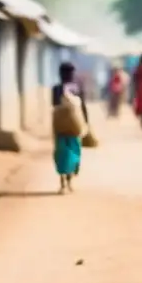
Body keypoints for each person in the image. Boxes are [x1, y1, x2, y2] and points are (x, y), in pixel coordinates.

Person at [51, 62, 88, 194]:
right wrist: (86, 122)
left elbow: (54, 105)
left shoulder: (57, 88)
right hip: (75, 126)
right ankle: (69, 179)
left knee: (61, 153)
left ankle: (63, 182)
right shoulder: (77, 88)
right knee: (74, 151)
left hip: (60, 126)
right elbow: (82, 106)